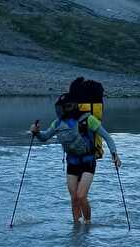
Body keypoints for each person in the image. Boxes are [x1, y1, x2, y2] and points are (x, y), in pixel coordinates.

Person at [30, 95, 121, 224]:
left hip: (88, 161)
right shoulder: (57, 123)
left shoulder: (89, 119)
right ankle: (77, 227)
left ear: (73, 106)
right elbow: (44, 137)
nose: (64, 109)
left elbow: (107, 137)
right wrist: (36, 132)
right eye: (62, 107)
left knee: (81, 196)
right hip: (72, 163)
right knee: (74, 199)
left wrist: (114, 154)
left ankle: (88, 223)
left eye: (67, 106)